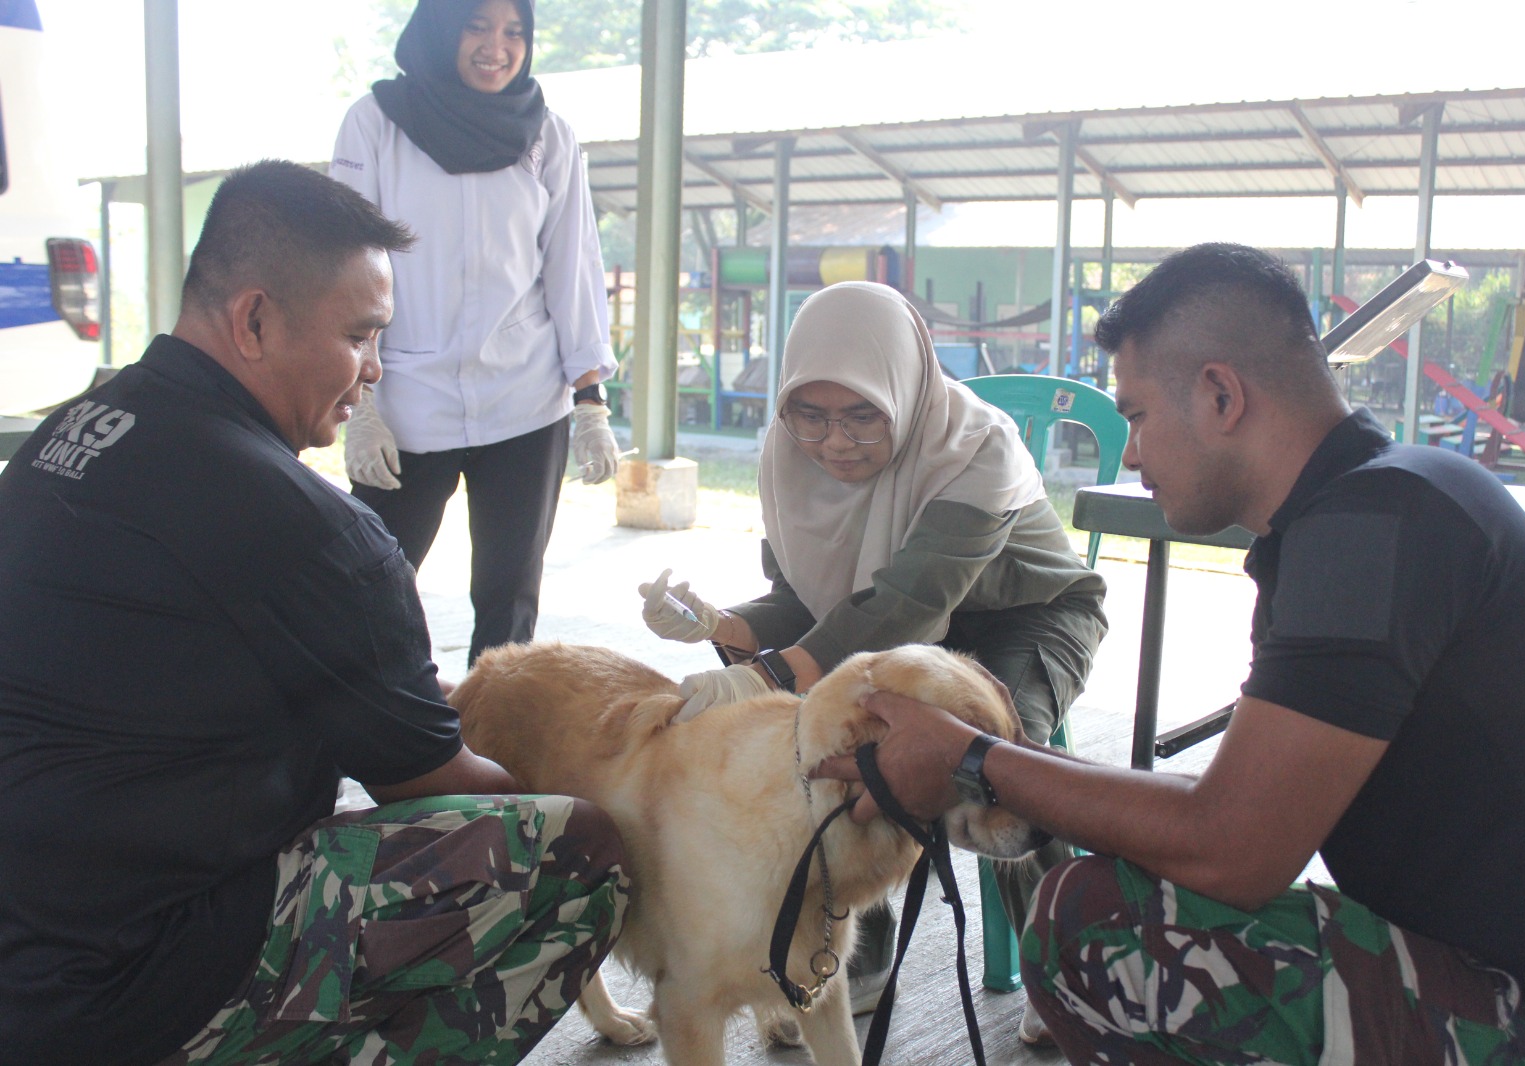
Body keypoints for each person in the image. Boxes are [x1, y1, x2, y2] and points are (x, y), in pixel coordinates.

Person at [815, 244, 1525, 1064]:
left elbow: (1234, 847)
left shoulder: (1369, 532)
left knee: (1093, 925)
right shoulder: (1383, 502)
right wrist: (985, 756)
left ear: (1221, 395)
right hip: (1509, 972)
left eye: (1138, 416)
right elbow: (1225, 808)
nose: (1131, 452)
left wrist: (974, 760)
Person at [0, 160, 628, 1066]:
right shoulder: (310, 531)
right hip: (133, 985)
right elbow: (447, 788)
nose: (374, 370)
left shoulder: (73, 433)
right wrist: (598, 785)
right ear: (254, 320)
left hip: (29, 946)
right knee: (582, 848)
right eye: (360, 335)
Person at [637, 279, 1108, 1019]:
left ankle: (1067, 970)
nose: (834, 442)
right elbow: (807, 603)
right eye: (811, 415)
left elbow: (906, 606)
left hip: (1024, 618)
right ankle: (852, 944)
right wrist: (722, 626)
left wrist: (769, 673)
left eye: (863, 416)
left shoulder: (973, 449)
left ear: (904, 392)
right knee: (836, 741)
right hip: (888, 630)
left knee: (1002, 754)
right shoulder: (787, 457)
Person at [331, 0, 617, 665]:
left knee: (509, 594)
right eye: (477, 26)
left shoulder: (548, 134)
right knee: (369, 585)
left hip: (524, 399)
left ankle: (496, 724)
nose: (498, 46)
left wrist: (590, 401)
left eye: (514, 31)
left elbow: (572, 264)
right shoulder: (375, 124)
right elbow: (344, 264)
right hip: (406, 400)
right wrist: (359, 404)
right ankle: (381, 718)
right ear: (441, 29)